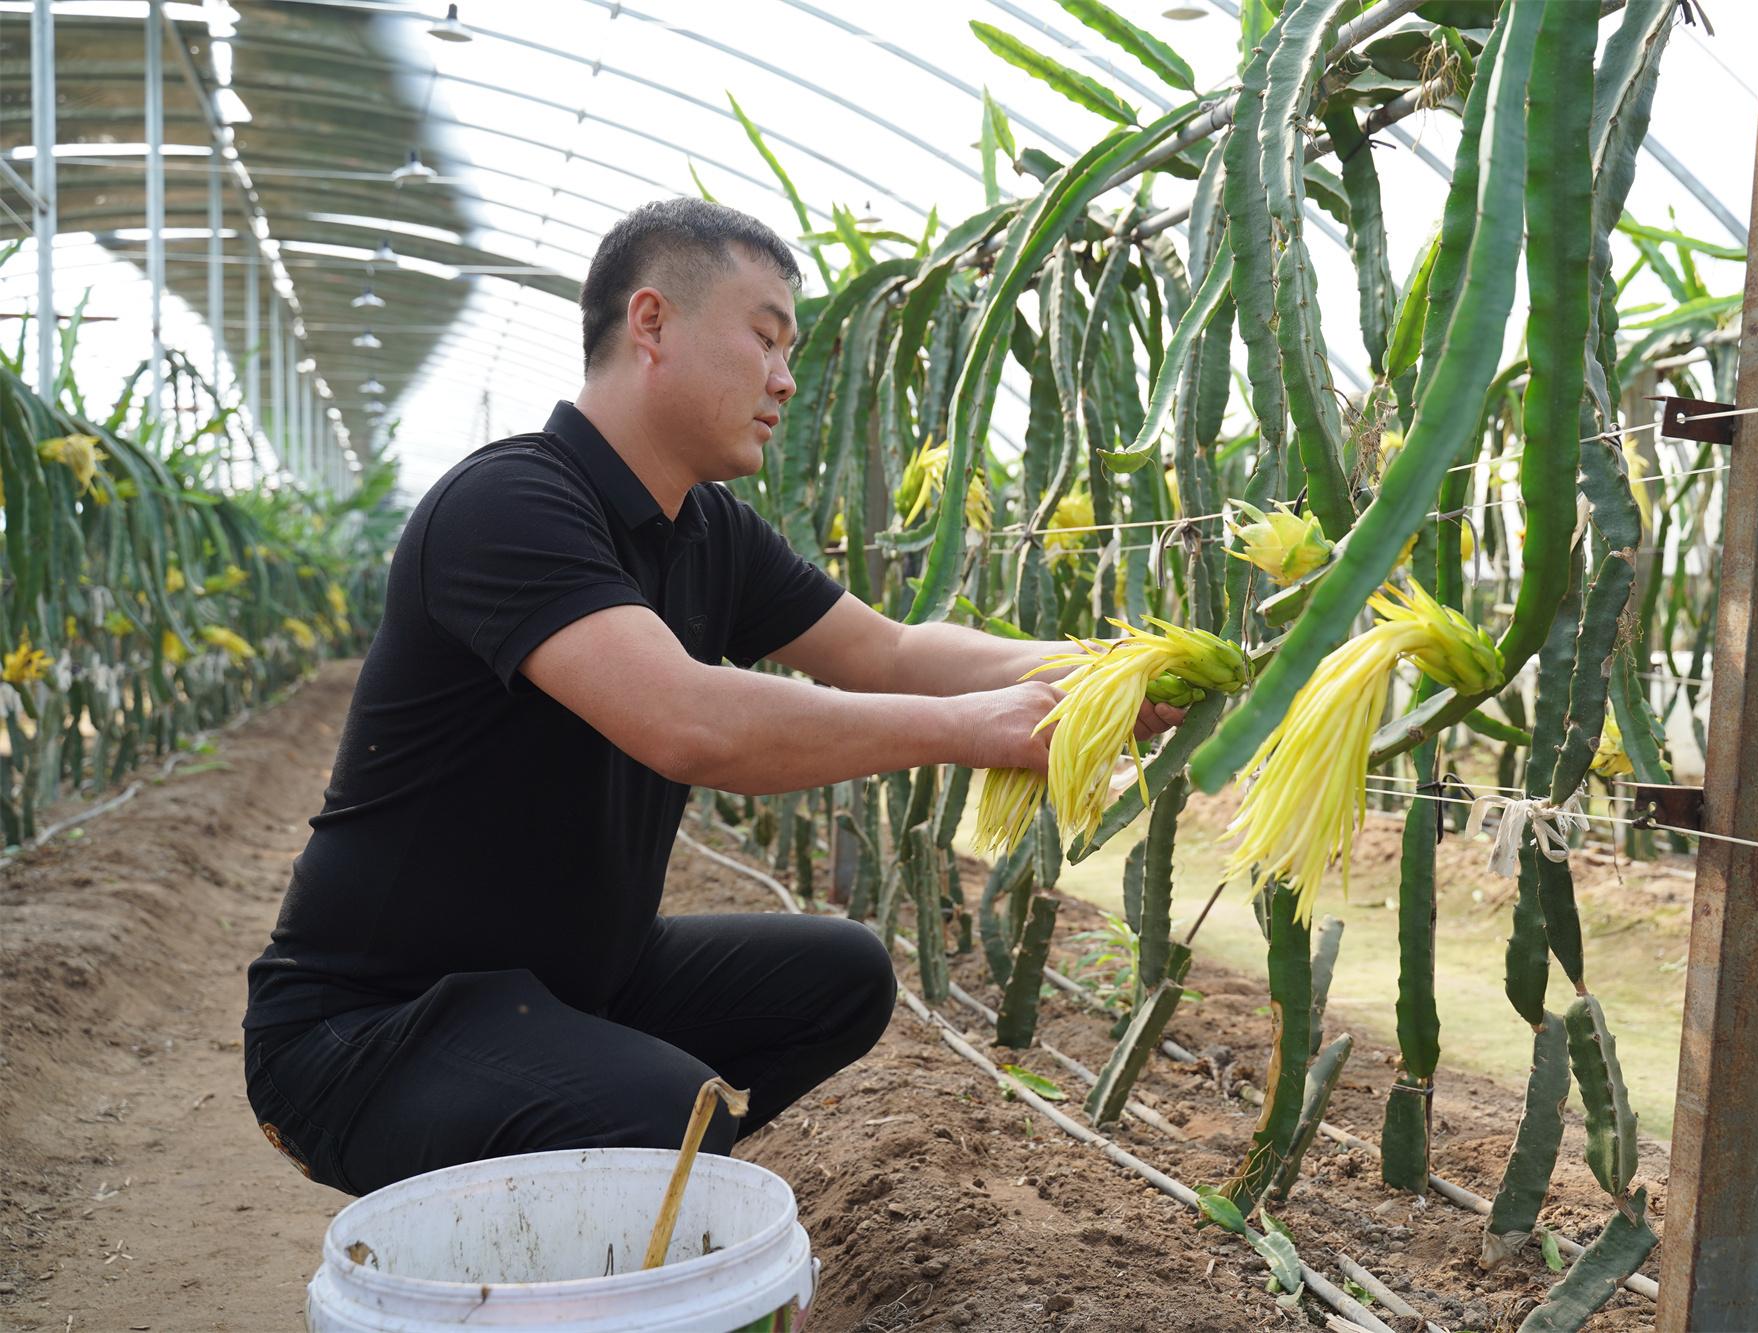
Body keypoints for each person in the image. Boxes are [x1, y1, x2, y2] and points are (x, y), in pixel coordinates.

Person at [239, 198, 1184, 1196]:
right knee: (658, 1105)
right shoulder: (509, 502)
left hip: (569, 985)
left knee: (841, 981)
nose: (784, 378)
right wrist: (968, 731)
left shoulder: (709, 532)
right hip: (370, 1029)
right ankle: (586, 1219)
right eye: (765, 337)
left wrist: (1099, 671)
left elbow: (893, 651)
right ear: (650, 323)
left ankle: (622, 1202)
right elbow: (687, 722)